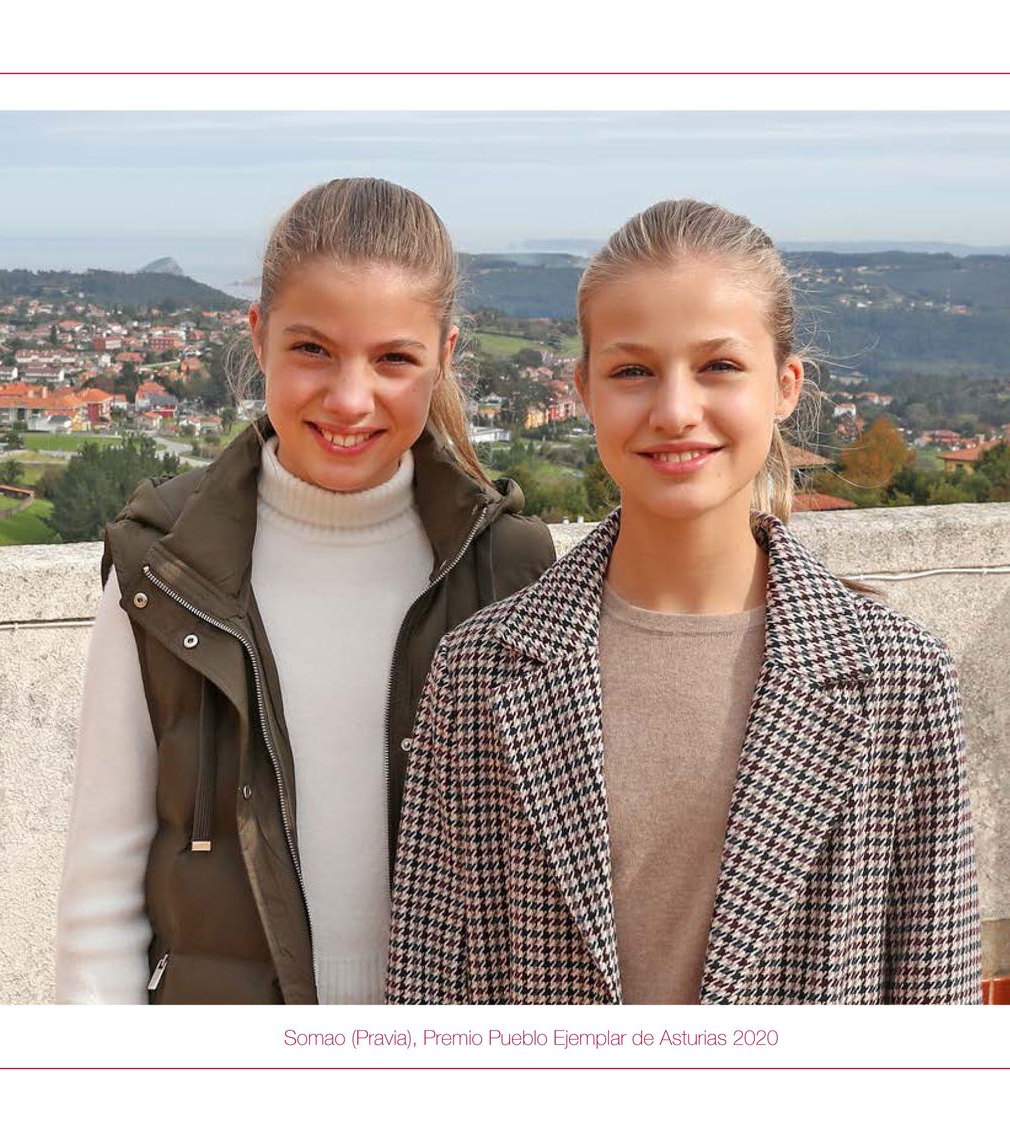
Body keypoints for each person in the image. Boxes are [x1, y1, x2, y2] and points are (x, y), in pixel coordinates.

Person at [386, 199, 980, 1005]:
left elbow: (935, 1004)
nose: (673, 411)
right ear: (584, 389)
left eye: (719, 366)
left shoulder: (900, 679)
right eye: (632, 371)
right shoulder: (480, 672)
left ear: (785, 386)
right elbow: (428, 992)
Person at [54, 178, 555, 1004]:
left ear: (446, 356)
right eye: (313, 350)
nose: (350, 399)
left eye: (394, 359)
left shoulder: (509, 570)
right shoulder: (164, 570)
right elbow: (100, 905)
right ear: (259, 337)